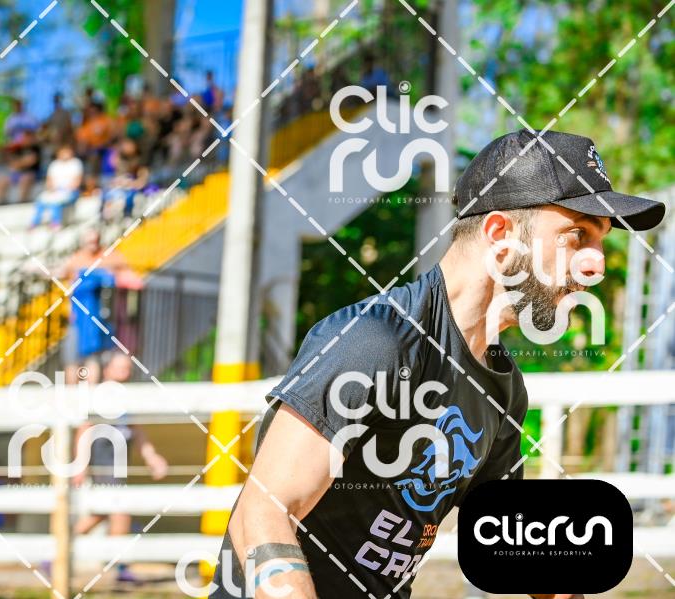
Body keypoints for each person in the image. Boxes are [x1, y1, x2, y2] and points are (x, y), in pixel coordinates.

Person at [211, 130, 666, 599]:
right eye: (578, 235)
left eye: (601, 241)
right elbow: (263, 512)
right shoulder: (374, 339)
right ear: (500, 234)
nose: (597, 265)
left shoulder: (504, 390)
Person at [73, 353, 169, 583]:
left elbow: (136, 430)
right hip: (104, 461)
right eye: (120, 367)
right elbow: (85, 429)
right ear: (107, 370)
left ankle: (55, 555)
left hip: (119, 464)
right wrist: (80, 464)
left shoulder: (127, 396)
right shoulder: (100, 395)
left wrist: (151, 457)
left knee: (100, 514)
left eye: (128, 367)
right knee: (120, 510)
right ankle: (120, 568)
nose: (126, 371)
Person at [55, 229, 142, 384]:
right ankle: (71, 395)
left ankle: (90, 392)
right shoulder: (77, 259)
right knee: (71, 360)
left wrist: (108, 275)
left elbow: (134, 279)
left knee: (93, 358)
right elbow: (61, 273)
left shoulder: (110, 258)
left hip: (99, 319)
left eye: (95, 241)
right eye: (89, 241)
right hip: (76, 319)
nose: (92, 245)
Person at [30, 144, 83, 230]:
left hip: (70, 192)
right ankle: (35, 223)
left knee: (56, 202)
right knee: (41, 200)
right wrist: (53, 189)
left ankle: (56, 223)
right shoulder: (54, 164)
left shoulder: (76, 163)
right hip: (55, 191)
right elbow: (49, 182)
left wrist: (64, 189)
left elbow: (77, 182)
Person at [102, 138, 148, 221]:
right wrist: (119, 183)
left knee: (124, 197)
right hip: (120, 192)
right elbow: (114, 179)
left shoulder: (141, 166)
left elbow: (141, 183)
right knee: (110, 195)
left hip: (134, 193)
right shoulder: (122, 165)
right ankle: (108, 219)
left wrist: (129, 183)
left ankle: (125, 217)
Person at [0, 129, 41, 203]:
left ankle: (22, 201)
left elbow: (31, 161)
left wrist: (19, 163)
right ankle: (1, 202)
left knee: (26, 179)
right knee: (1, 180)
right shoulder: (17, 148)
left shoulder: (35, 148)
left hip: (32, 174)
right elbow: (10, 164)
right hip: (16, 174)